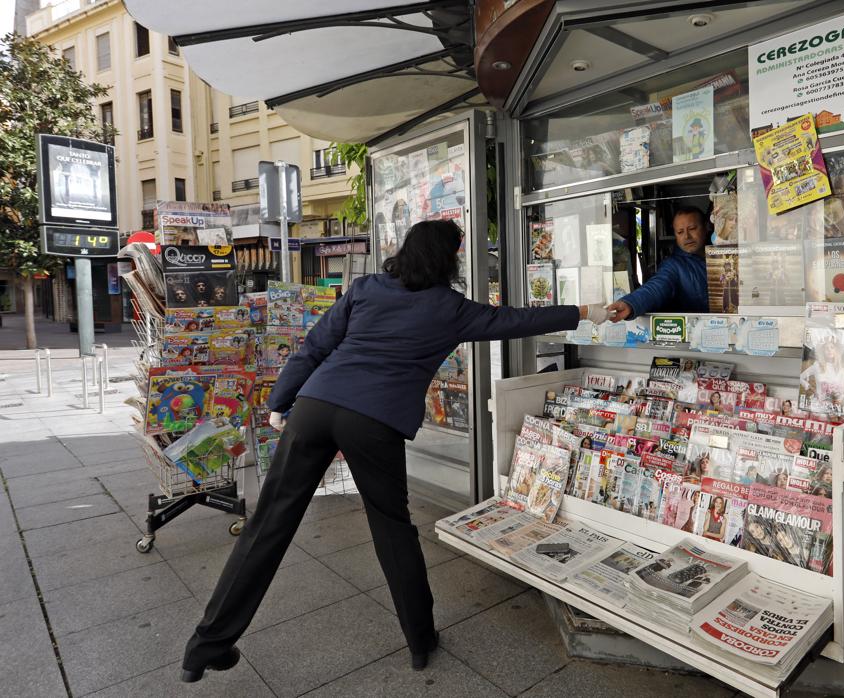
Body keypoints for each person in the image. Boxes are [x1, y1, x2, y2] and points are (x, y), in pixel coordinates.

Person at [180, 220, 608, 682]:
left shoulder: (366, 288)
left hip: (315, 408)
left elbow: (316, 345)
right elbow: (518, 321)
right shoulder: (450, 308)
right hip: (373, 421)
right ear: (449, 260)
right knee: (392, 529)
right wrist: (585, 310)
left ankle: (206, 645)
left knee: (267, 525)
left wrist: (280, 401)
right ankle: (420, 641)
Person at [605, 205, 710, 320]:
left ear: (706, 227)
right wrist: (630, 304)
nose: (686, 236)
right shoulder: (673, 266)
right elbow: (656, 288)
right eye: (680, 232)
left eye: (692, 229)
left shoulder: (726, 256)